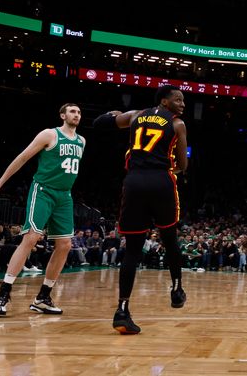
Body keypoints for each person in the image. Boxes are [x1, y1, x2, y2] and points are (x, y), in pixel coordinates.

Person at [93, 84, 188, 334]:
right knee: (169, 239)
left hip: (134, 181)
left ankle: (122, 310)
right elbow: (183, 164)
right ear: (165, 102)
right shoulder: (177, 124)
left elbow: (99, 123)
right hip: (160, 181)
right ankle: (176, 289)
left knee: (133, 250)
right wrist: (171, 169)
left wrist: (113, 114)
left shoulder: (135, 115)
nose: (182, 104)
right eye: (178, 100)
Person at [0, 103, 85, 316]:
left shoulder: (82, 141)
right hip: (43, 191)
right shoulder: (49, 135)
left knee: (65, 245)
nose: (76, 115)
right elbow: (22, 158)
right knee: (31, 238)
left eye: (78, 112)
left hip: (64, 195)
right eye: (72, 111)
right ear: (62, 115)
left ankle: (43, 297)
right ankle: (3, 293)